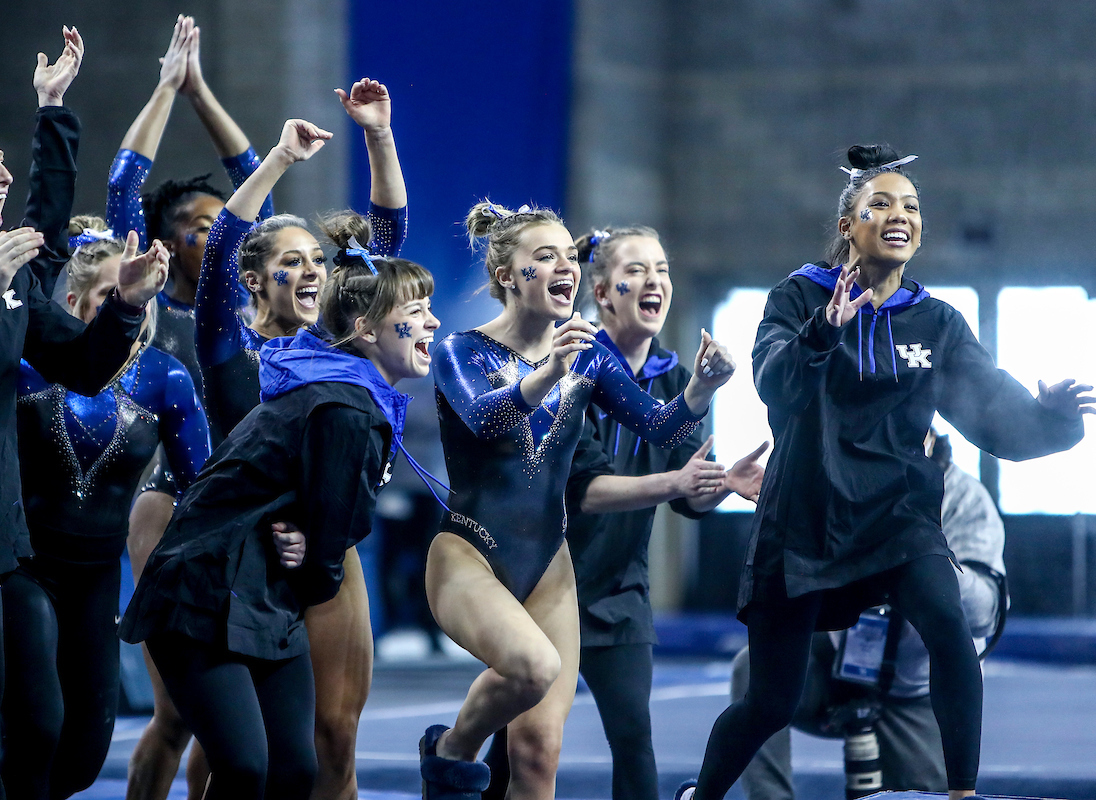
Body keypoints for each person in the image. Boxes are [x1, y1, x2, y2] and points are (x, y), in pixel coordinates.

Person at [675, 145, 1094, 800]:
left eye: (912, 206)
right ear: (849, 226)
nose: (901, 216)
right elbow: (774, 386)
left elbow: (994, 414)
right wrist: (823, 331)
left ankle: (962, 794)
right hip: (806, 519)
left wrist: (1055, 419)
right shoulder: (798, 296)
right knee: (770, 702)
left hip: (898, 515)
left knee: (946, 621)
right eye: (882, 204)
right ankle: (701, 795)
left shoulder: (937, 321)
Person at [0, 28, 167, 798]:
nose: (3, 171)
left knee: (19, 735)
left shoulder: (4, 281)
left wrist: (125, 306)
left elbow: (81, 367)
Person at [422, 201, 736, 800]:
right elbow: (486, 419)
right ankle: (453, 749)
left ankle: (459, 754)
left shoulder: (587, 354)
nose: (564, 267)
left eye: (569, 255)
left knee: (538, 752)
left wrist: (702, 385)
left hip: (549, 564)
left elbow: (662, 427)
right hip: (470, 553)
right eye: (545, 257)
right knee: (533, 667)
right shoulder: (460, 350)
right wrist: (546, 374)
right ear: (507, 278)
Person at [119, 235, 440, 800]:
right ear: (365, 330)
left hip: (263, 592)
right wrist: (315, 549)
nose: (434, 322)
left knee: (294, 770)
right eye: (415, 312)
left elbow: (325, 528)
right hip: (201, 592)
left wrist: (311, 541)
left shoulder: (348, 388)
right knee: (243, 767)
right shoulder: (345, 405)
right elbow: (326, 555)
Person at [194, 79, 406, 799]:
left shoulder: (336, 346)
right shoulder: (228, 349)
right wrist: (279, 159)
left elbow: (386, 244)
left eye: (318, 258)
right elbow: (223, 244)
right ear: (254, 281)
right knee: (232, 755)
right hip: (240, 560)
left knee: (334, 740)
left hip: (319, 550)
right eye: (293, 261)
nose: (314, 269)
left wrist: (377, 134)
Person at [109, 17, 281, 798]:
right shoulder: (143, 303)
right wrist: (163, 87)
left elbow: (253, 172)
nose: (221, 239)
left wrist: (202, 90)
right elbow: (121, 189)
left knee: (232, 714)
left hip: (240, 508)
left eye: (226, 226)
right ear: (167, 243)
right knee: (178, 711)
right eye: (202, 229)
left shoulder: (241, 315)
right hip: (167, 501)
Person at [1, 222, 212, 800]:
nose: (133, 312)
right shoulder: (26, 367)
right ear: (74, 303)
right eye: (113, 296)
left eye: (141, 301)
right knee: (37, 725)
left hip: (96, 576)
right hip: (22, 568)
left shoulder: (164, 377)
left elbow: (204, 483)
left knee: (85, 754)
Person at [731, 429, 1006, 799]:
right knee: (754, 667)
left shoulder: (966, 498)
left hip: (916, 690)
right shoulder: (841, 482)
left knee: (926, 793)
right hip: (837, 663)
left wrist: (919, 566)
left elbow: (986, 612)